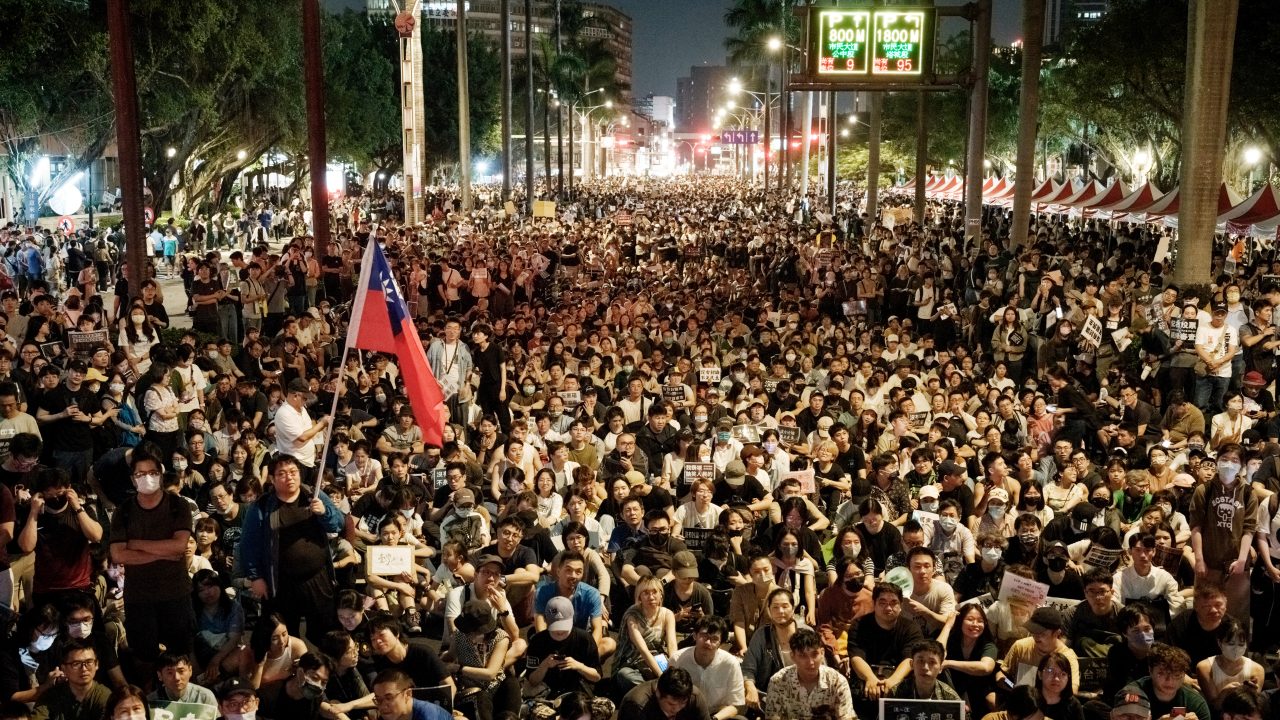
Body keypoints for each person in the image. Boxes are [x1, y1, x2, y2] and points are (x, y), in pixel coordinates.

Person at [240, 454, 345, 641]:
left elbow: (337, 524)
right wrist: (256, 577)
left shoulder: (314, 495)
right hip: (280, 582)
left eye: (293, 472)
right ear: (272, 479)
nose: (289, 477)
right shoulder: (261, 506)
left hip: (317, 578)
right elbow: (249, 545)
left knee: (326, 631)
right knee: (283, 634)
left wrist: (324, 512)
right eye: (282, 473)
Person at [108, 445, 194, 666]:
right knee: (143, 658)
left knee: (179, 657)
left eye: (152, 473)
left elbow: (179, 546)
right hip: (139, 597)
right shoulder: (124, 511)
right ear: (133, 479)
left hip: (175, 593)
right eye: (141, 474)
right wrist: (161, 553)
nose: (147, 478)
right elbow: (119, 554)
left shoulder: (178, 504)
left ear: (161, 475)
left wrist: (136, 545)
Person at [846, 582, 924, 718]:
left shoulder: (911, 628)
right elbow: (856, 657)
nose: (888, 607)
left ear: (901, 606)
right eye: (882, 602)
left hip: (898, 678)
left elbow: (909, 659)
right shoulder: (859, 625)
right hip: (866, 677)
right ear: (874, 604)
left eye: (894, 602)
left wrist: (893, 680)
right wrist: (870, 678)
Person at [764, 627, 855, 719]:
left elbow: (846, 717)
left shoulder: (837, 682)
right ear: (793, 656)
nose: (811, 662)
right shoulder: (778, 681)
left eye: (815, 654)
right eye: (803, 656)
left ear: (822, 653)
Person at [523, 596, 602, 698]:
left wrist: (579, 667)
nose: (560, 632)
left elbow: (597, 677)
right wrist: (545, 665)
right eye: (555, 628)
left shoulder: (584, 639)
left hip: (577, 693)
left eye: (563, 627)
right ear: (546, 621)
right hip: (546, 693)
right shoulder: (537, 641)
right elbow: (532, 681)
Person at [671, 616, 744, 720]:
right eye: (704, 636)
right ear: (694, 636)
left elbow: (736, 705)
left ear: (721, 643)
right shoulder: (677, 659)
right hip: (684, 713)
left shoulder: (731, 664)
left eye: (714, 639)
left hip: (716, 715)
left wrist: (714, 718)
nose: (708, 642)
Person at [1124, 644, 1212, 720]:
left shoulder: (1195, 703)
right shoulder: (1132, 695)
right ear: (1150, 670)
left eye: (1176, 674)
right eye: (1161, 673)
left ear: (1184, 675)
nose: (1169, 680)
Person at [1193, 616, 1263, 710]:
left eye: (1241, 644)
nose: (1236, 649)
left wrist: (1251, 694)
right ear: (1219, 642)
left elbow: (1251, 708)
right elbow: (1214, 707)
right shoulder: (1205, 667)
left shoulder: (1257, 669)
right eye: (1231, 644)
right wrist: (1224, 693)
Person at [30, 639, 109, 720]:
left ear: (96, 665)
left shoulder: (106, 698)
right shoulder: (50, 696)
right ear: (63, 668)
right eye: (76, 664)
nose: (84, 669)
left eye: (89, 662)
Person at [617, 667, 711, 720]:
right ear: (658, 693)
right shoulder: (636, 705)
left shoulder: (694, 697)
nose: (677, 709)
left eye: (683, 703)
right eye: (671, 704)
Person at [370, 668, 452, 720]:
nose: (383, 706)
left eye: (389, 698)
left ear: (408, 694)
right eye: (379, 700)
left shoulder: (427, 714)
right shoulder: (392, 714)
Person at [147, 651, 218, 708]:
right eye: (170, 673)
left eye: (181, 671)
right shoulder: (151, 702)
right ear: (160, 675)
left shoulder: (204, 697)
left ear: (190, 670)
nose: (177, 678)